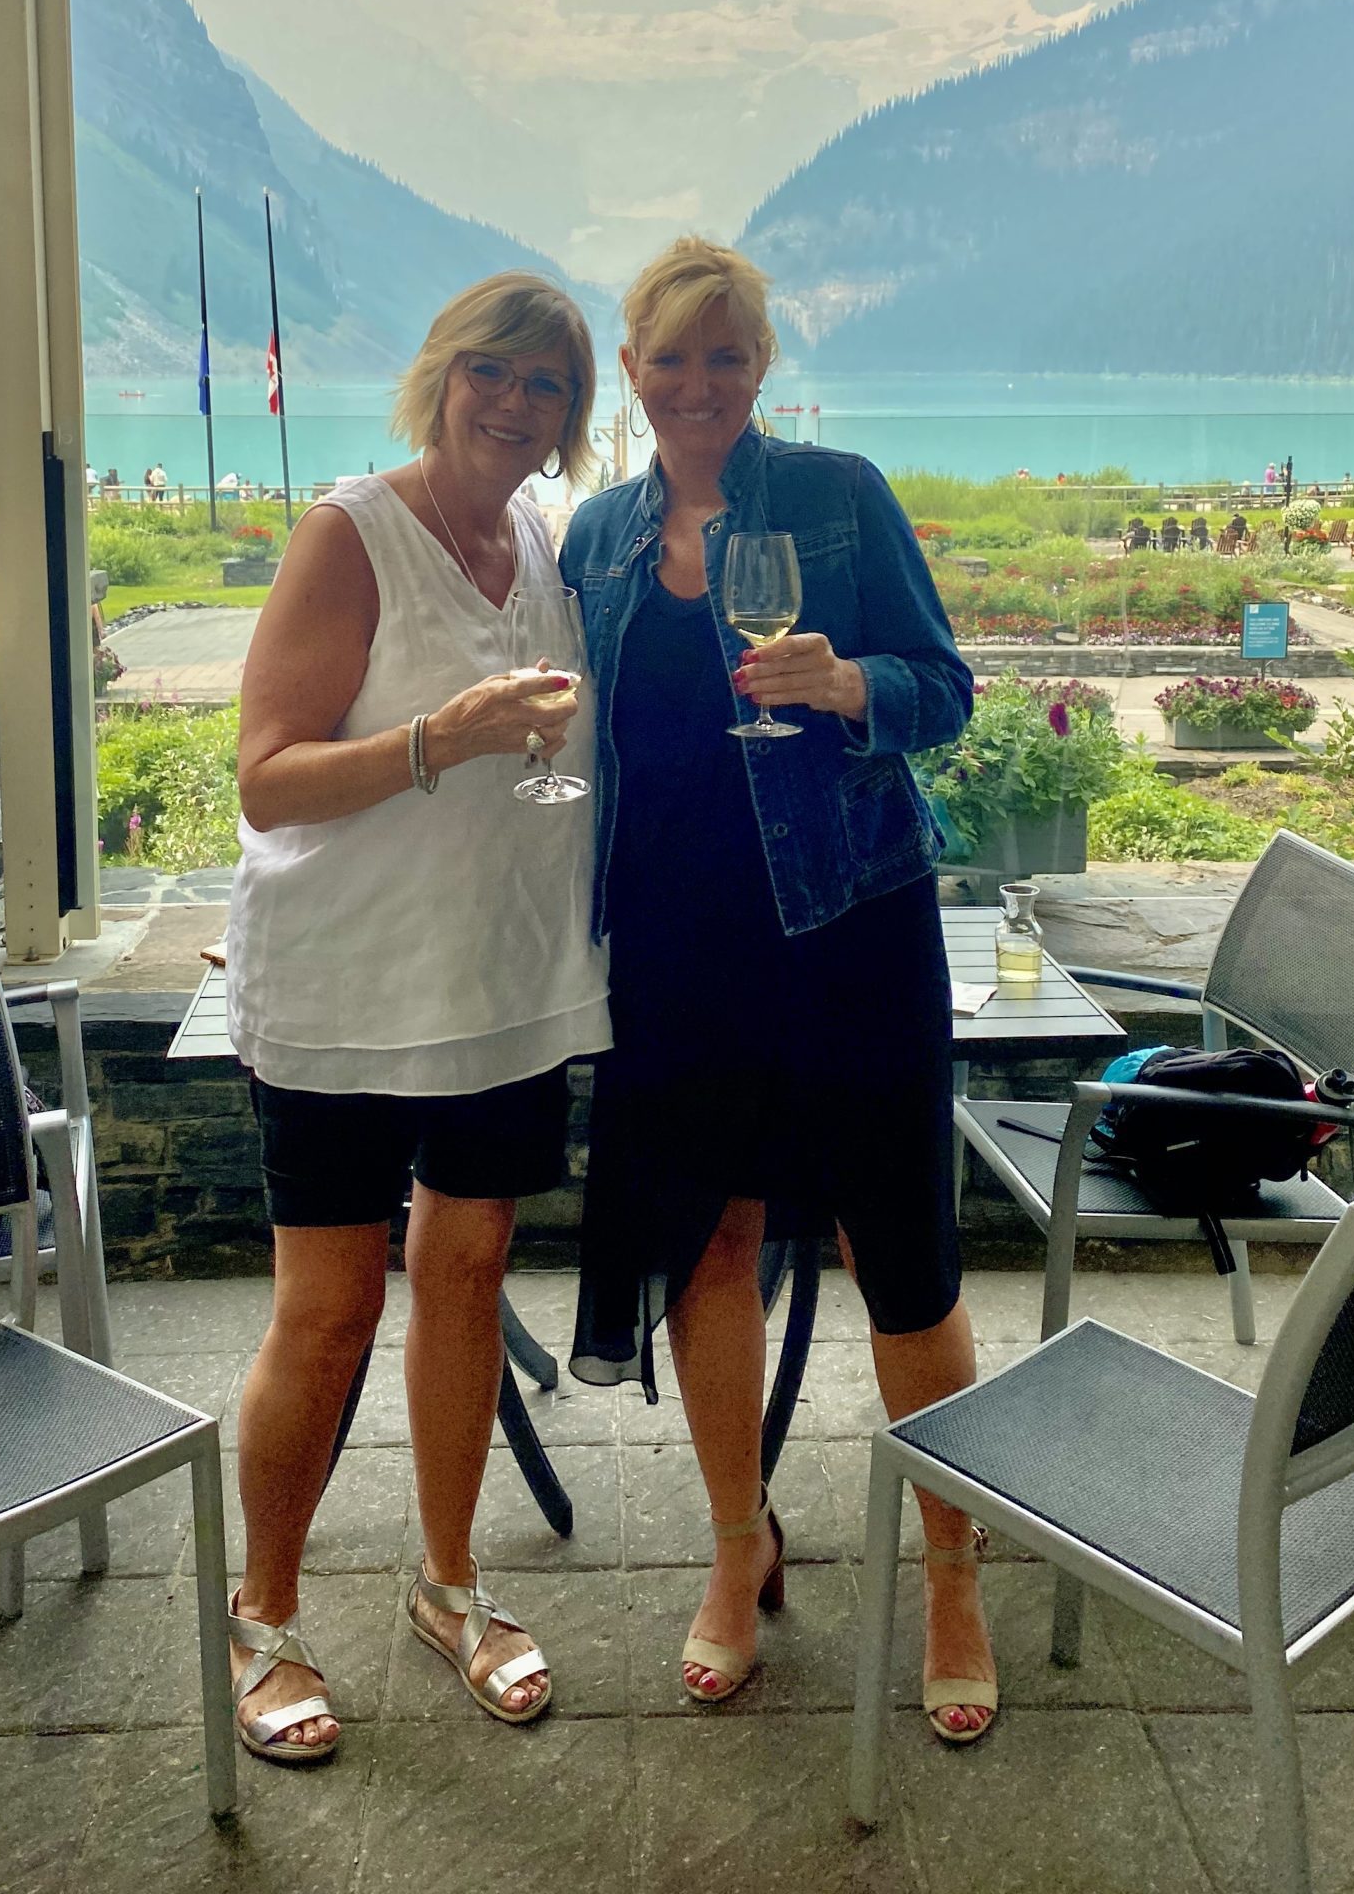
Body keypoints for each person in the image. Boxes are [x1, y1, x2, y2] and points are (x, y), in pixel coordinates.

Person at [562, 237, 996, 1744]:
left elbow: (944, 685)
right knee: (710, 1243)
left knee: (903, 1252)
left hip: (851, 930)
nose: (698, 384)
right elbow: (584, 749)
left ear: (764, 370)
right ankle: (738, 1545)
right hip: (679, 954)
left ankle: (953, 1569)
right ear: (632, 371)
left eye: (727, 356)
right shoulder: (596, 537)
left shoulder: (838, 494)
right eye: (671, 358)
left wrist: (851, 686)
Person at [222, 272, 607, 1763]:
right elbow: (264, 775)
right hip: (346, 991)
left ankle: (449, 1587)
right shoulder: (350, 532)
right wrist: (440, 739)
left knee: (464, 1277)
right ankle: (264, 1616)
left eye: (548, 387)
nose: (515, 406)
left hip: (500, 988)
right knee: (326, 1309)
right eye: (492, 375)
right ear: (441, 376)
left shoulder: (541, 545)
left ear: (575, 418)